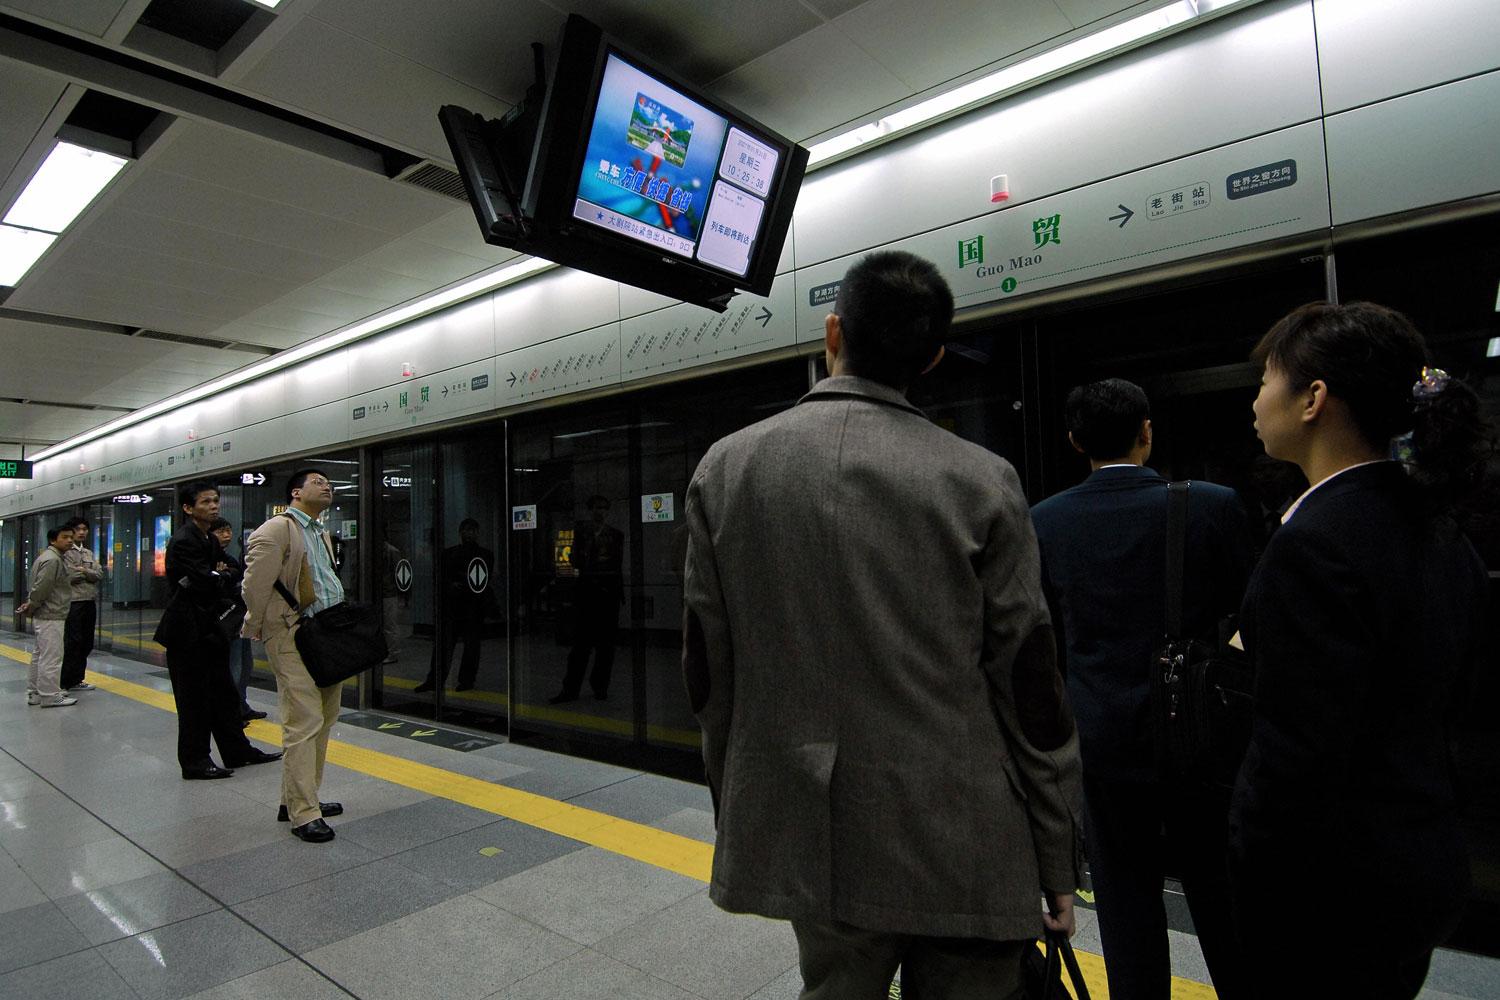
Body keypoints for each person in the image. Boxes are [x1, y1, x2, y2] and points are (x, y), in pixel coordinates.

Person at [682, 250, 1083, 998]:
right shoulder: (984, 480)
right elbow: (1030, 686)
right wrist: (1057, 851)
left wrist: (743, 809)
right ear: (932, 359)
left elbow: (709, 674)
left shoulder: (726, 470)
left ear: (833, 332)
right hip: (966, 831)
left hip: (820, 829)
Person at [1231, 302, 1492, 998]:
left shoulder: (1315, 545)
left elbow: (1296, 761)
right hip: (1419, 862)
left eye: (1266, 379)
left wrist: (1252, 880)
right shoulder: (1441, 531)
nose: (1256, 399)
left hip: (1330, 895)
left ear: (1313, 398)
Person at [1030, 379, 1251, 1000]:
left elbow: (1044, 643)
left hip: (1102, 745)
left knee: (1126, 906)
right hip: (1199, 740)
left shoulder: (1044, 522)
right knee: (1222, 898)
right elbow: (1254, 617)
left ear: (1075, 441)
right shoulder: (1212, 507)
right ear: (1147, 432)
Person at [241, 469, 347, 844]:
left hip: (325, 634)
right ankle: (304, 813)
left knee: (326, 715)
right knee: (304, 719)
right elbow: (254, 585)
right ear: (296, 493)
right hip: (291, 634)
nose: (326, 485)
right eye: (317, 481)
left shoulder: (320, 532)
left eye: (328, 482)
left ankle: (300, 798)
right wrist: (257, 624)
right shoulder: (276, 530)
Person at [153, 482, 283, 780]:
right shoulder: (184, 540)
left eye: (215, 500)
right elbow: (203, 581)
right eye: (206, 502)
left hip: (210, 629)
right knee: (194, 700)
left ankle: (237, 749)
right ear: (188, 508)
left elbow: (231, 570)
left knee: (224, 695)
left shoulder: (207, 540)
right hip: (187, 633)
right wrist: (218, 575)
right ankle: (195, 760)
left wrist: (219, 575)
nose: (213, 506)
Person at [551, 496, 623, 704]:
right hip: (587, 595)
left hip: (605, 596)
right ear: (590, 511)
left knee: (604, 648)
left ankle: (598, 686)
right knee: (581, 647)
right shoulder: (582, 534)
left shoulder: (614, 535)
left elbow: (616, 566)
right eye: (596, 508)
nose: (600, 512)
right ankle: (574, 688)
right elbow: (569, 561)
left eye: (603, 508)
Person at [415, 518, 494, 694]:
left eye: (472, 530)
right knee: (446, 645)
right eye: (466, 530)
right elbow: (441, 578)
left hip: (470, 606)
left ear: (477, 533)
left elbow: (482, 580)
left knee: (469, 646)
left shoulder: (479, 555)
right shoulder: (455, 554)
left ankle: (464, 680)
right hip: (456, 606)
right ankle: (437, 679)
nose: (469, 533)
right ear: (460, 532)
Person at [210, 517, 266, 724]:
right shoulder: (206, 558)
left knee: (245, 664)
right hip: (222, 621)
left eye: (228, 530)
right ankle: (229, 713)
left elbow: (237, 576)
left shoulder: (230, 558)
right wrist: (223, 575)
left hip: (238, 617)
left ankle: (241, 706)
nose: (227, 535)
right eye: (221, 531)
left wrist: (226, 574)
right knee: (233, 666)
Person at [18, 526, 81, 708]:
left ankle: (35, 692)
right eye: (65, 537)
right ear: (53, 540)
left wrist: (32, 604)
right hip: (51, 613)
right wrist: (32, 604)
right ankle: (50, 695)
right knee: (51, 657)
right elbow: (42, 587)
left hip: (45, 613)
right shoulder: (53, 560)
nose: (70, 540)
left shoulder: (48, 557)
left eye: (71, 537)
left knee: (40, 655)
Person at [60, 516, 103, 694]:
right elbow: (70, 576)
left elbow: (99, 574)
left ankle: (77, 678)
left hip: (89, 600)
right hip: (73, 602)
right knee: (73, 641)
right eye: (78, 529)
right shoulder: (66, 553)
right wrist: (88, 573)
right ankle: (65, 681)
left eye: (85, 529)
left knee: (87, 642)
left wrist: (84, 570)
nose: (82, 532)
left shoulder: (88, 553)